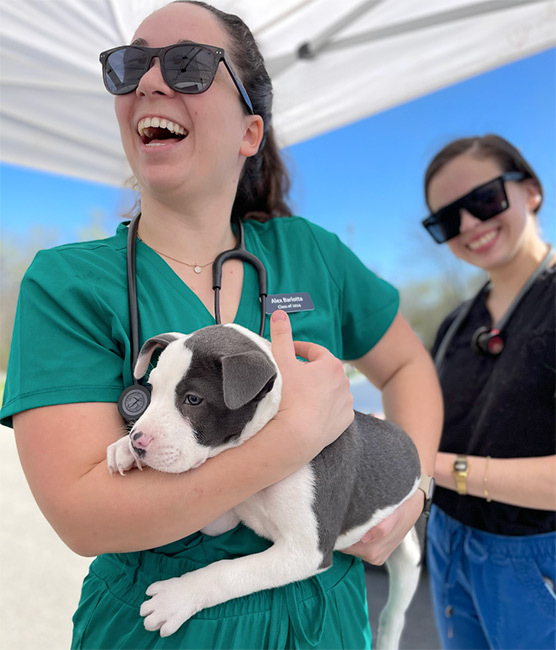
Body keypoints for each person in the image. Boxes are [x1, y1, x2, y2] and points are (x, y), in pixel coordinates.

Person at [1, 2, 442, 648]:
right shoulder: (66, 285)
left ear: (249, 131)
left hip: (326, 621)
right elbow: (84, 518)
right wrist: (289, 439)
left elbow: (407, 365)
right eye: (130, 66)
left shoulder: (311, 254)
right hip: (156, 626)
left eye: (186, 65)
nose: (149, 82)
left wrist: (416, 490)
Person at [422, 134, 556, 650]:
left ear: (532, 192)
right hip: (449, 545)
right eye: (447, 220)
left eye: (484, 201)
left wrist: (436, 466)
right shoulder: (455, 326)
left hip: (533, 560)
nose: (470, 226)